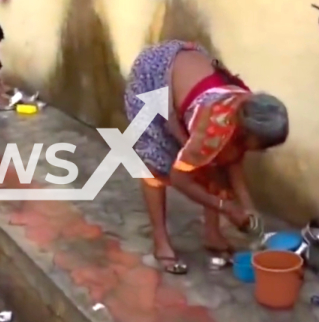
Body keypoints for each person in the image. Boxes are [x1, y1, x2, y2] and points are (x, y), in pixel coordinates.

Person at [124, 40, 289, 274]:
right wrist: (226, 207)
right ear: (248, 132)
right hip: (153, 77)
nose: (263, 150)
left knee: (214, 159)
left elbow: (232, 160)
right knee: (155, 166)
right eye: (263, 145)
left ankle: (212, 235)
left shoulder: (249, 108)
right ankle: (161, 242)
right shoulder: (215, 127)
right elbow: (179, 178)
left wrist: (248, 207)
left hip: (187, 66)